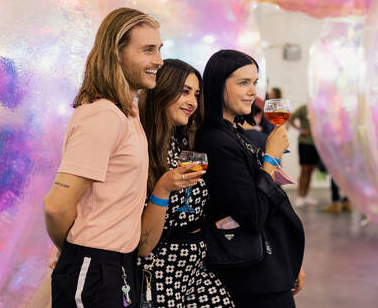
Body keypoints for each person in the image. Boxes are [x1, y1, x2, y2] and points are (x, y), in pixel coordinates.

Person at [43, 7, 162, 307]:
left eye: (159, 49)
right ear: (116, 53)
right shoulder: (102, 114)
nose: (158, 61)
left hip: (117, 264)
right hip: (95, 266)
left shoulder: (126, 111)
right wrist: (75, 250)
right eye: (148, 50)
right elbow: (56, 207)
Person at [196, 49, 305, 307]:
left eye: (255, 83)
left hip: (269, 265)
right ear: (217, 84)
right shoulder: (215, 140)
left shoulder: (234, 132)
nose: (252, 92)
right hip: (253, 275)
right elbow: (253, 214)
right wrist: (271, 159)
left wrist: (288, 260)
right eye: (243, 82)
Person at [136, 59, 234, 307]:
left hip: (195, 268)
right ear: (162, 90)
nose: (192, 102)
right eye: (184, 91)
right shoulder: (139, 145)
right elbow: (144, 246)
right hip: (161, 271)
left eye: (196, 94)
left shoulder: (181, 142)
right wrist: (163, 188)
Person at [288, 104, 321, 207]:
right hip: (304, 143)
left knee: (311, 170)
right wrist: (301, 130)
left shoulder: (321, 108)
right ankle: (300, 196)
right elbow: (290, 119)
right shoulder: (304, 108)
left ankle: (306, 196)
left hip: (317, 144)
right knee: (304, 170)